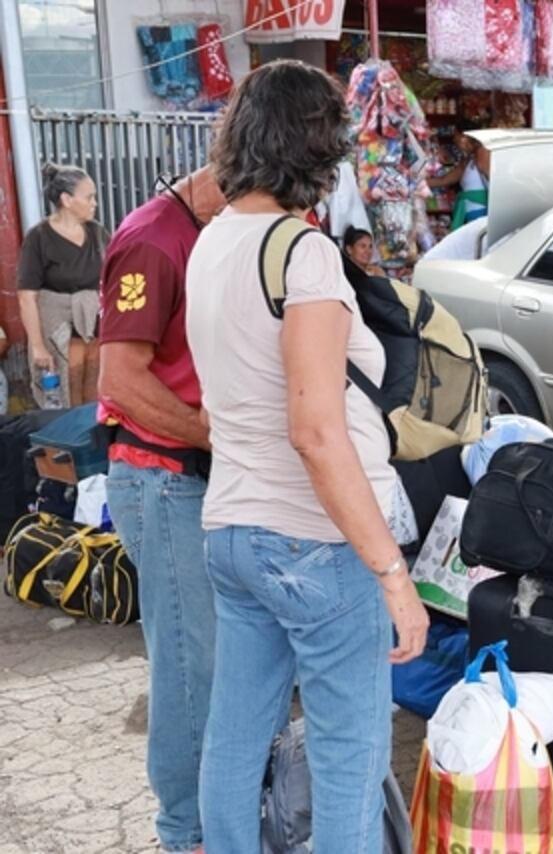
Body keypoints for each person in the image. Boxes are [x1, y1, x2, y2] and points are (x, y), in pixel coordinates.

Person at [185, 60, 428, 853]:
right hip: (312, 543)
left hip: (232, 528)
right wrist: (393, 573)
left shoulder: (213, 242)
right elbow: (317, 431)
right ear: (317, 146)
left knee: (236, 733)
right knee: (348, 748)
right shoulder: (303, 252)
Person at [97, 165, 226, 854]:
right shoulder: (153, 239)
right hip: (162, 478)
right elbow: (119, 379)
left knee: (221, 662)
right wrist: (216, 433)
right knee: (187, 668)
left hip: (200, 476)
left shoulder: (213, 231)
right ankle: (188, 834)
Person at [17, 163, 109, 407]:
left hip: (93, 329)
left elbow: (112, 278)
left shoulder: (97, 232)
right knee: (65, 399)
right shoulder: (39, 237)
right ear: (67, 199)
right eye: (89, 197)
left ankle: (93, 443)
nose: (94, 203)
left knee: (94, 397)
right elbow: (27, 297)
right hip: (57, 330)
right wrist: (38, 346)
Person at [427, 132, 490, 231]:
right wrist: (416, 182)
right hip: (470, 212)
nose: (454, 141)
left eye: (456, 138)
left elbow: (492, 183)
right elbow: (443, 180)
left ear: (463, 138)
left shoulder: (482, 154)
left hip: (479, 213)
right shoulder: (468, 160)